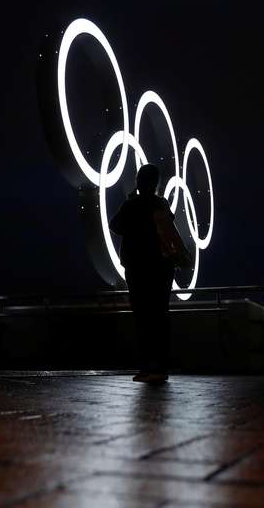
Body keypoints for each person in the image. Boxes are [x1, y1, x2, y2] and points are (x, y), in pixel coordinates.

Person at [110, 164, 189, 384]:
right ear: (157, 183)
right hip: (162, 267)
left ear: (138, 181)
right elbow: (169, 228)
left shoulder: (131, 205)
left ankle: (146, 367)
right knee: (160, 315)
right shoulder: (161, 204)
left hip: (137, 267)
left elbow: (114, 226)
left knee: (142, 317)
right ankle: (161, 367)